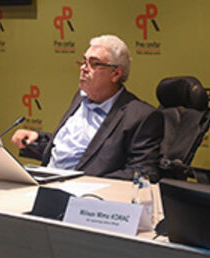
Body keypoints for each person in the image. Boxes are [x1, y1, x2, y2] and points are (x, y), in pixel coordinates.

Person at [11, 34, 162, 180]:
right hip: (47, 181)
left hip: (87, 193)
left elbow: (143, 171)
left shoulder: (139, 116)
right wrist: (38, 138)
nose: (83, 68)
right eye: (83, 61)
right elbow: (77, 148)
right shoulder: (80, 98)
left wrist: (87, 182)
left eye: (94, 63)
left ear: (116, 73)